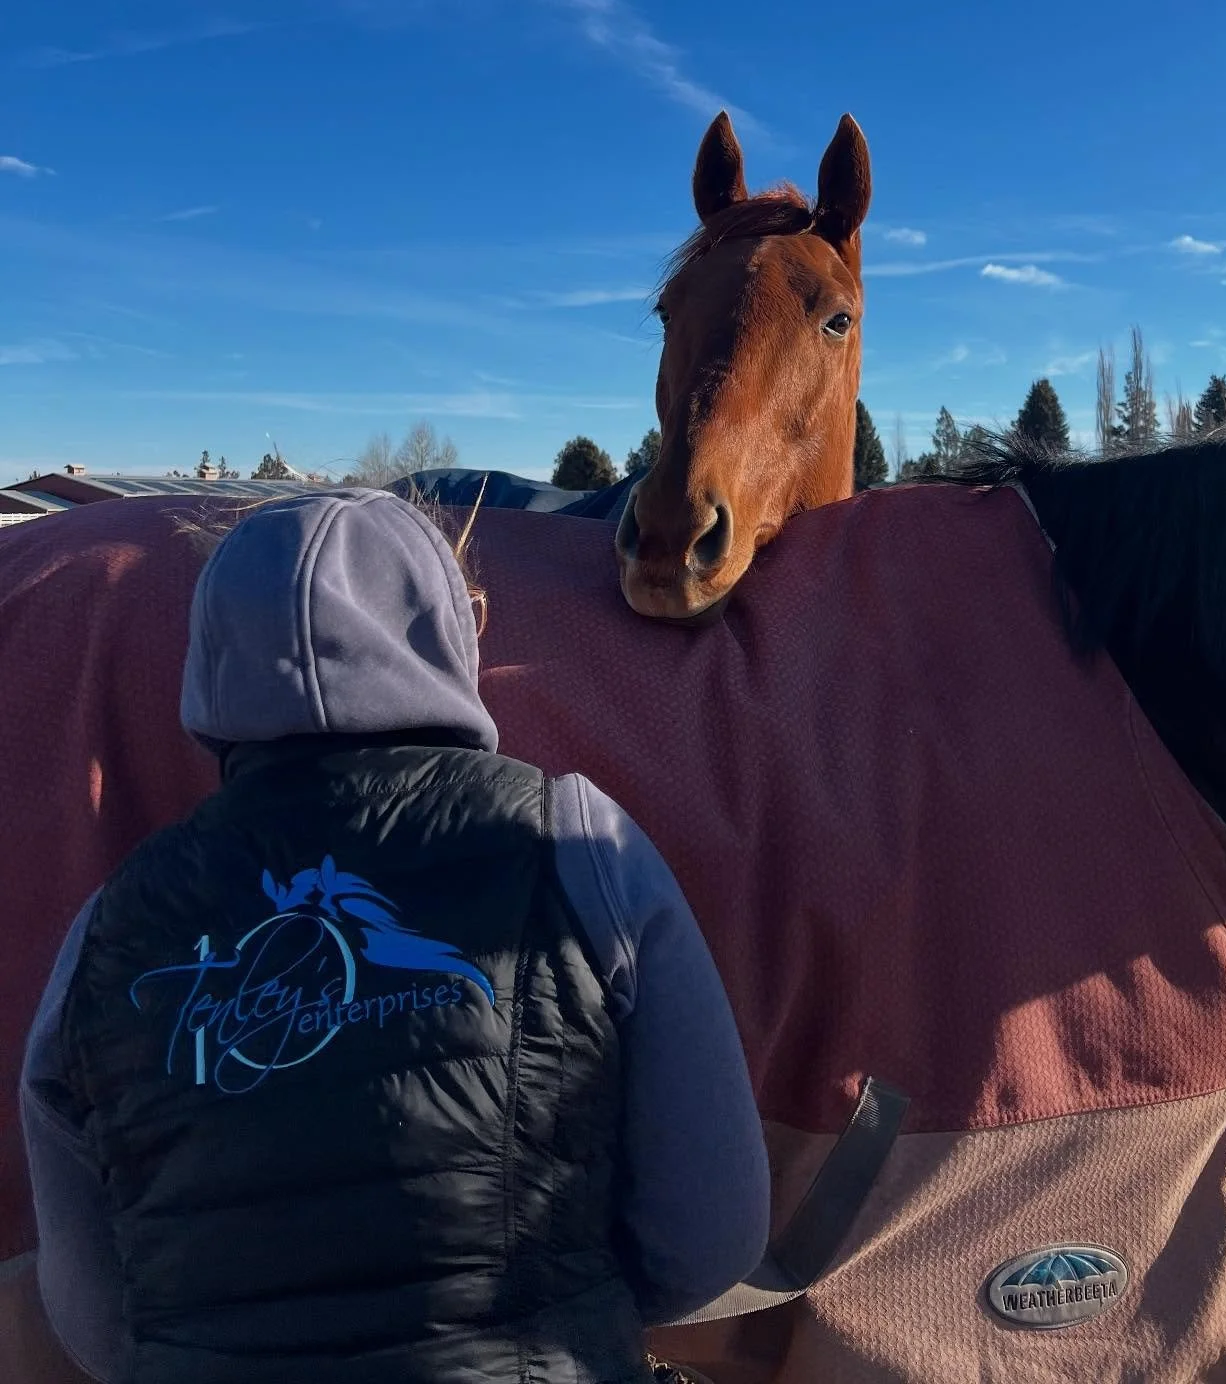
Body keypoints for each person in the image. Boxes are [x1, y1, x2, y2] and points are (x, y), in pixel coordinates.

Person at [20, 489, 769, 1383]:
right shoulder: (572, 842)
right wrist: (570, 1307)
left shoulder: (110, 924)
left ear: (213, 657)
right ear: (446, 625)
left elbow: (98, 1321)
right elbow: (711, 1235)